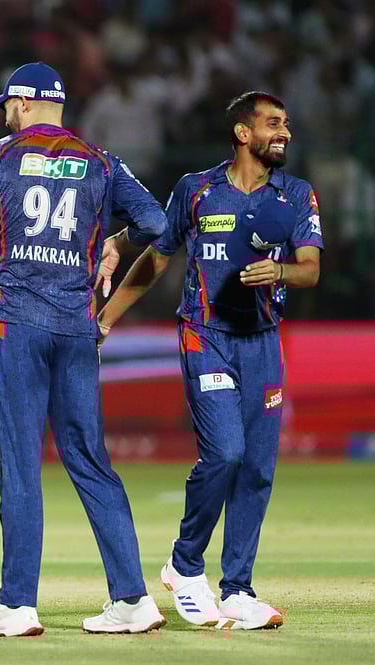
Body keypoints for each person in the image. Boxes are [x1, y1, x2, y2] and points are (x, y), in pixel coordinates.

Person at [0, 62, 169, 636]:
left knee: (18, 464)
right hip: (77, 327)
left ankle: (16, 604)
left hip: (17, 324)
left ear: (25, 103)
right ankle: (133, 600)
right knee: (90, 460)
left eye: (7, 106)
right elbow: (158, 222)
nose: (5, 115)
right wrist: (112, 243)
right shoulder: (102, 162)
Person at [97, 91, 321, 630]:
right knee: (225, 452)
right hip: (206, 333)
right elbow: (157, 257)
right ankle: (184, 563)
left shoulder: (296, 194)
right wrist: (105, 319)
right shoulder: (197, 189)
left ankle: (239, 588)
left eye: (286, 124)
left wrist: (281, 273)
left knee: (257, 468)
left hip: (264, 340)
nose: (283, 133)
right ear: (243, 134)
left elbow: (310, 268)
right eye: (273, 124)